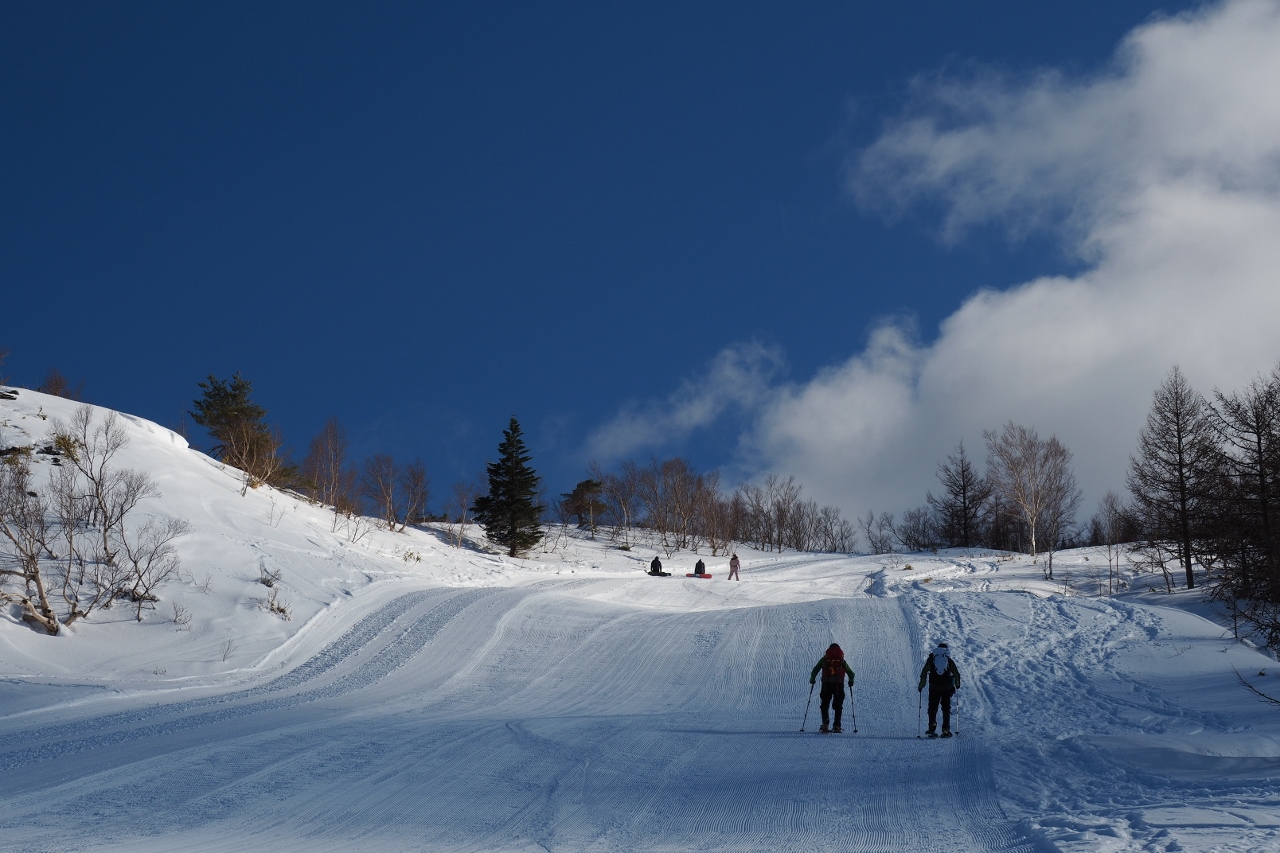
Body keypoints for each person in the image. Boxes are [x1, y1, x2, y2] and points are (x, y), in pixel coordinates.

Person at [809, 643, 855, 733]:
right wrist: (851, 681)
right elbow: (851, 674)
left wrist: (812, 680)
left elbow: (815, 670)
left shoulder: (825, 659)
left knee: (825, 705)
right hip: (839, 685)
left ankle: (825, 724)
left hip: (826, 684)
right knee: (838, 706)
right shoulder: (842, 661)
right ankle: (837, 726)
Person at [917, 642, 961, 737]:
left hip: (934, 687)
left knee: (932, 707)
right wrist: (957, 685)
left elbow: (924, 673)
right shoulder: (949, 660)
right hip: (946, 688)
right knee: (946, 708)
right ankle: (945, 730)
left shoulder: (932, 659)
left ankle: (932, 726)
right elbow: (956, 674)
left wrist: (921, 686)